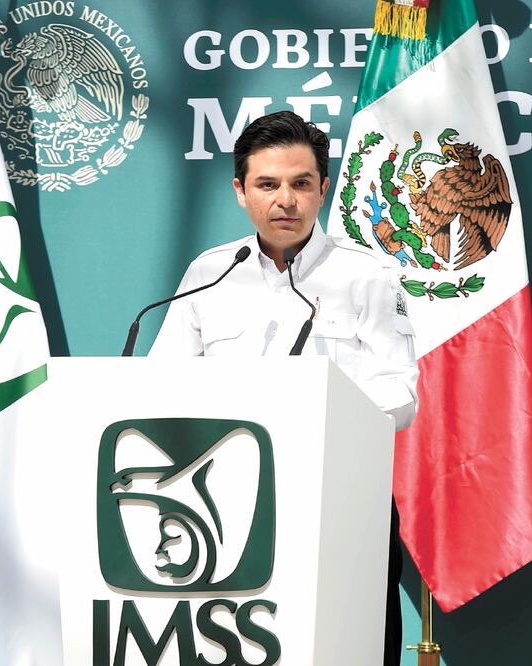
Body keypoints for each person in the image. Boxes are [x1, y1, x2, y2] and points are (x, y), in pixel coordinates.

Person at [149, 110, 417, 666]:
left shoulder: (365, 276)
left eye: (300, 183)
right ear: (240, 192)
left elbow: (400, 395)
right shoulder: (211, 272)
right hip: (222, 510)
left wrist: (325, 421)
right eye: (267, 184)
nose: (285, 200)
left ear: (323, 189)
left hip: (341, 503)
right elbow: (162, 380)